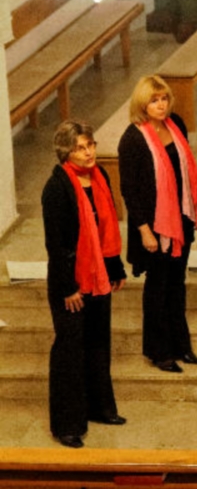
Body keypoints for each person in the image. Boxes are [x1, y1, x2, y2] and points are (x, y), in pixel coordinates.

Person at [42, 120, 127, 448]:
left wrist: (115, 267)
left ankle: (99, 409)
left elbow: (107, 227)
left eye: (90, 145)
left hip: (99, 277)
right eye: (80, 148)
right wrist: (68, 288)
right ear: (66, 151)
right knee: (70, 351)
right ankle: (67, 425)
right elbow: (57, 244)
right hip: (72, 283)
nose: (89, 152)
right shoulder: (56, 187)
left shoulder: (100, 176)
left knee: (98, 344)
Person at [118, 76, 197, 374]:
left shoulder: (175, 124)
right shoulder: (132, 138)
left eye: (164, 98)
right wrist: (144, 230)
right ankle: (159, 351)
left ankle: (181, 346)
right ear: (142, 104)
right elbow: (129, 190)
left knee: (177, 283)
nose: (161, 105)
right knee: (157, 287)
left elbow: (187, 171)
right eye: (154, 100)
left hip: (181, 217)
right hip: (154, 225)